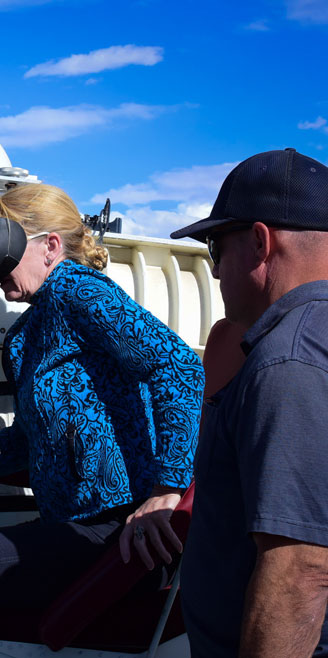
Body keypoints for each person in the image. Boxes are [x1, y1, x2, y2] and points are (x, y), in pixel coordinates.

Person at [0, 183, 205, 658]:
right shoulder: (26, 334)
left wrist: (166, 491)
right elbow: (30, 445)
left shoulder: (77, 289)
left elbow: (178, 365)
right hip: (73, 528)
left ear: (51, 246)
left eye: (1, 242)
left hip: (116, 531)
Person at [172, 148, 328, 657]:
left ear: (260, 242)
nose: (215, 272)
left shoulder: (288, 360)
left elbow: (301, 569)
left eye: (216, 249)